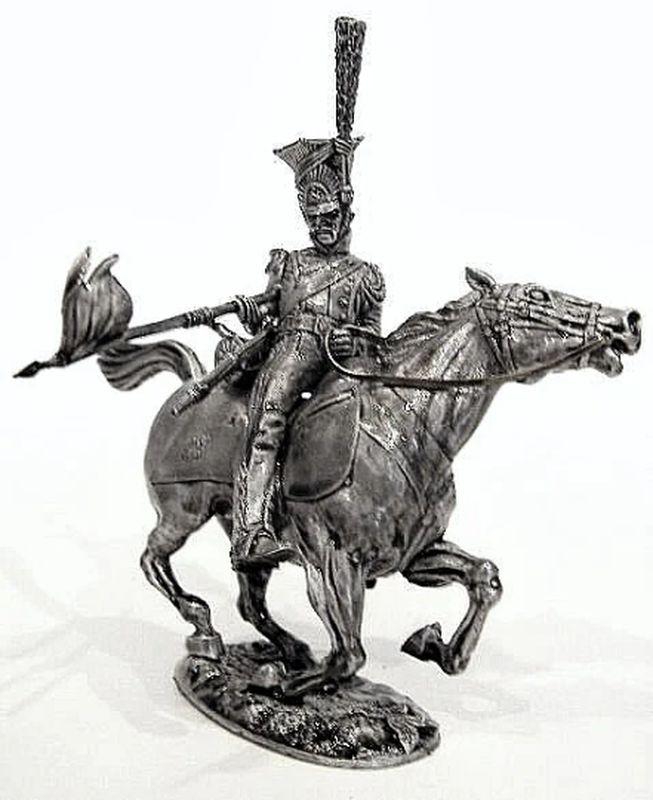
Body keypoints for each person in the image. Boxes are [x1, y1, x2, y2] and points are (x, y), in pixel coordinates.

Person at [230, 136, 385, 570]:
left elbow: (375, 337)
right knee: (268, 421)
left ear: (346, 213)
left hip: (341, 363)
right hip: (293, 349)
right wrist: (252, 311)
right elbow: (266, 314)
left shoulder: (366, 276)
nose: (322, 225)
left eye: (330, 216)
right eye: (314, 218)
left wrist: (353, 340)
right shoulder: (290, 264)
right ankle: (251, 530)